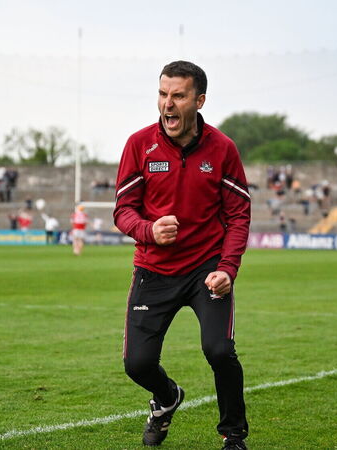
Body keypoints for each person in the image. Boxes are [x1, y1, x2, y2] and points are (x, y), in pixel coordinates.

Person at [114, 61, 250, 450]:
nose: (167, 104)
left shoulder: (223, 149)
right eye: (162, 94)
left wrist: (227, 270)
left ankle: (233, 435)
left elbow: (239, 215)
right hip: (153, 270)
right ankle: (167, 397)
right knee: (137, 364)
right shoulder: (139, 145)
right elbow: (123, 210)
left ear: (199, 100)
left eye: (178, 95)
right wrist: (149, 231)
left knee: (219, 351)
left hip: (206, 270)